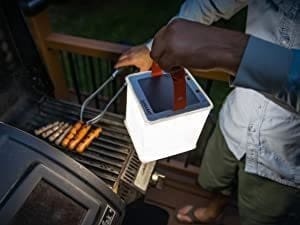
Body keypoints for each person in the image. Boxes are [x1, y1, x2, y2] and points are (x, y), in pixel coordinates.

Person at [115, 1, 300, 225]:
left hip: (285, 150)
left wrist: (233, 52)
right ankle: (213, 211)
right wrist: (154, 47)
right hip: (236, 119)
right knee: (215, 179)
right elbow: (210, 3)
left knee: (262, 215)